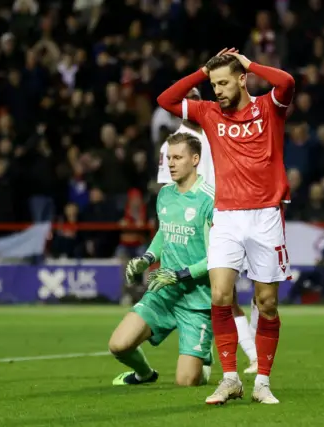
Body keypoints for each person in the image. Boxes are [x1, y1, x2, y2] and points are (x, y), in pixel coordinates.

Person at [157, 48, 295, 404]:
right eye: (213, 84)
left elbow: (287, 82)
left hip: (265, 216)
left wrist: (250, 63)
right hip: (227, 217)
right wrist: (202, 71)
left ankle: (262, 381)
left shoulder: (269, 107)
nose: (216, 90)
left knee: (265, 303)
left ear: (241, 79)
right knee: (221, 295)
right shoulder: (208, 112)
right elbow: (165, 99)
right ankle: (231, 378)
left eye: (223, 82)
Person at [157, 86, 258, 374]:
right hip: (191, 225)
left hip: (225, 215)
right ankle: (211, 354)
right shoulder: (172, 146)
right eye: (186, 101)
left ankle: (248, 356)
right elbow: (167, 190)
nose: (191, 105)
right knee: (208, 293)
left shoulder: (217, 130)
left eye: (196, 100)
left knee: (225, 292)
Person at [108, 132, 215, 387]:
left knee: (187, 381)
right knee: (118, 345)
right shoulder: (165, 195)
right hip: (163, 292)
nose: (171, 163)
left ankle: (203, 357)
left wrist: (179, 274)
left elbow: (215, 258)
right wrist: (146, 258)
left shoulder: (210, 200)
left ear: (195, 159)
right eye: (169, 157)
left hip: (197, 300)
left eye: (178, 157)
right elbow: (164, 233)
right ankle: (145, 374)